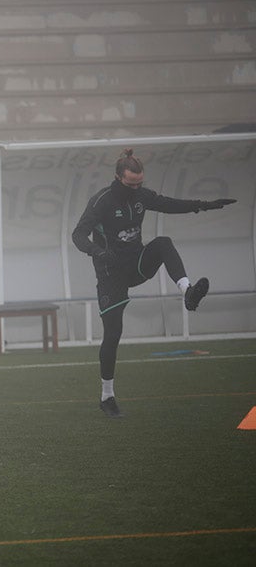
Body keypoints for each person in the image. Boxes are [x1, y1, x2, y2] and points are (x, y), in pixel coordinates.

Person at [71, 149, 236, 418]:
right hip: (111, 273)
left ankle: (188, 292)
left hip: (136, 265)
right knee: (113, 335)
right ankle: (107, 396)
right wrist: (97, 252)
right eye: (130, 184)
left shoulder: (141, 197)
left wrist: (204, 205)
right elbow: (78, 235)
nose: (136, 188)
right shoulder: (101, 201)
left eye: (139, 183)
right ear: (117, 177)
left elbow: (170, 204)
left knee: (162, 243)